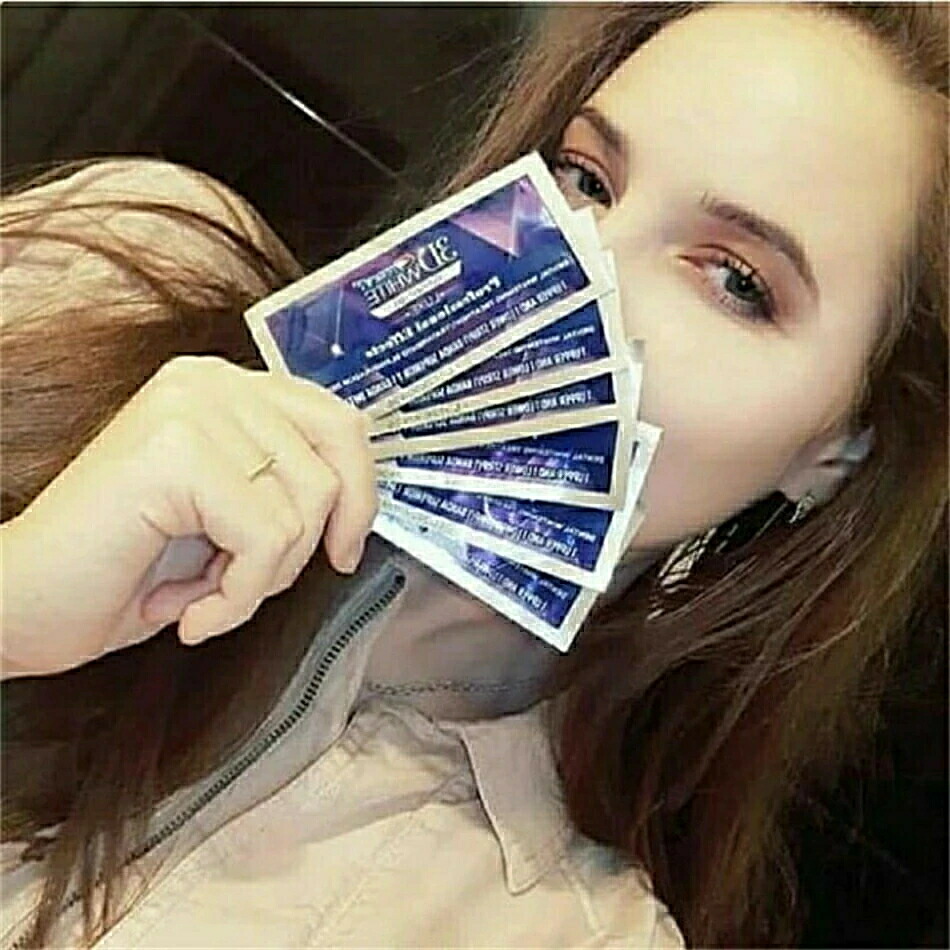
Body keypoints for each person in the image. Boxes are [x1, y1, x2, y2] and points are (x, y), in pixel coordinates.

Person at [1, 2, 946, 947]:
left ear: (835, 451)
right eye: (585, 177)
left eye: (737, 281)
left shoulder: (575, 936)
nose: (582, 270)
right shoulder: (108, 271)